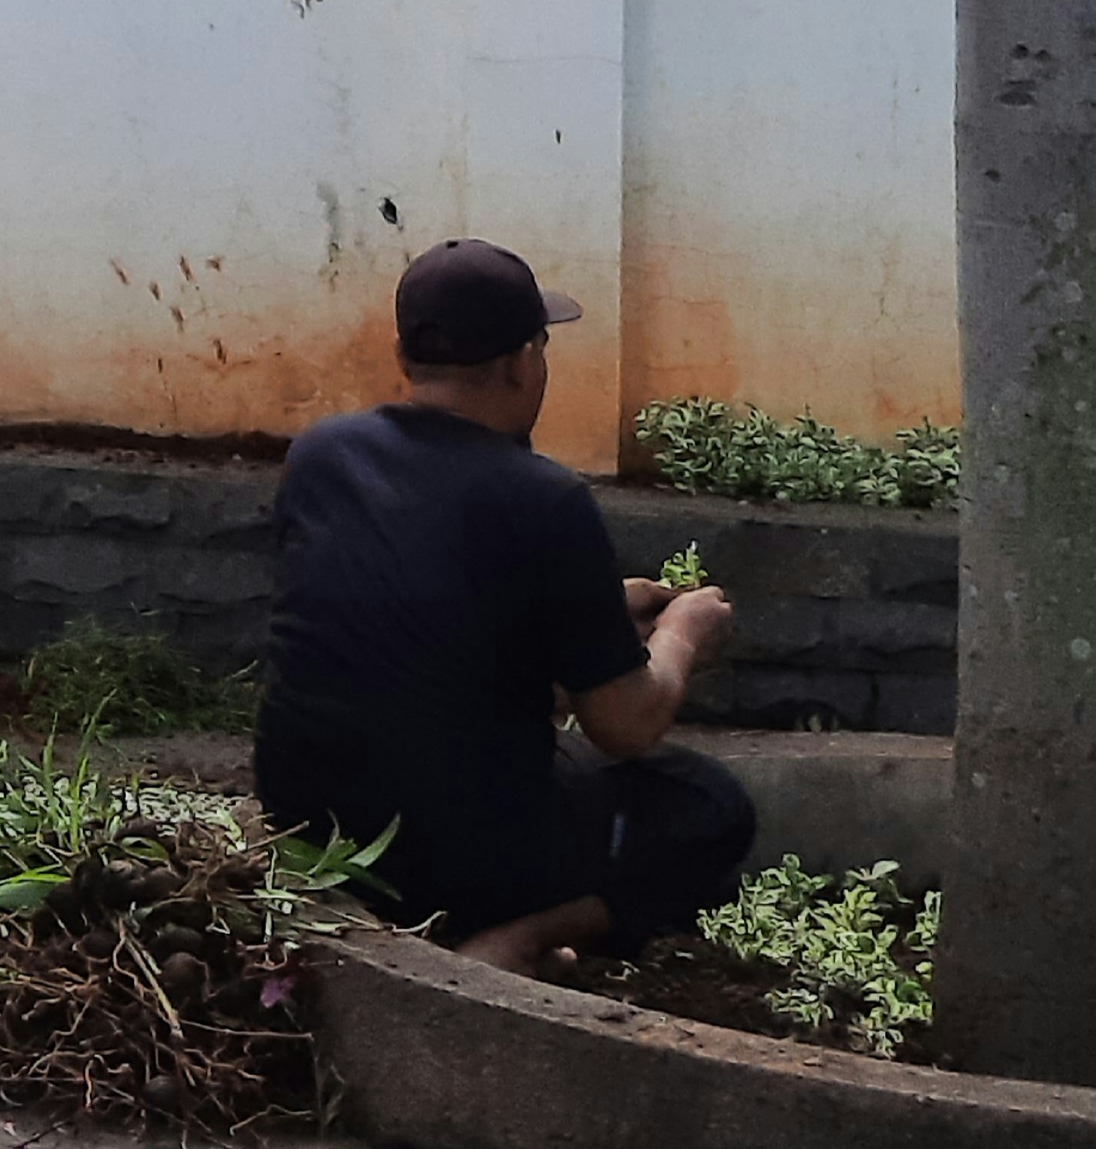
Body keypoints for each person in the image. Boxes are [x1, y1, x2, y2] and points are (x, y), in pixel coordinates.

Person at [255, 240, 752, 969]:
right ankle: (509, 943)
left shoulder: (321, 455)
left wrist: (601, 609)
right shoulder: (545, 497)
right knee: (709, 806)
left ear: (403, 355)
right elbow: (625, 727)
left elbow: (424, 630)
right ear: (523, 362)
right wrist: (681, 631)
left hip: (309, 822)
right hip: (461, 849)